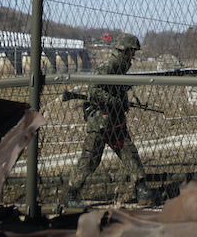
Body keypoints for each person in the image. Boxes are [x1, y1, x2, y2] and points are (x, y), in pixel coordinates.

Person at [64, 33, 160, 207]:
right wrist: (115, 102)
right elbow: (94, 91)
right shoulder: (110, 66)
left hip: (116, 122)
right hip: (101, 122)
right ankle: (72, 193)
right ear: (126, 50)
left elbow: (114, 89)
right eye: (133, 51)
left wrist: (121, 101)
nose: (134, 55)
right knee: (90, 159)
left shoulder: (120, 67)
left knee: (130, 154)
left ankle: (142, 190)